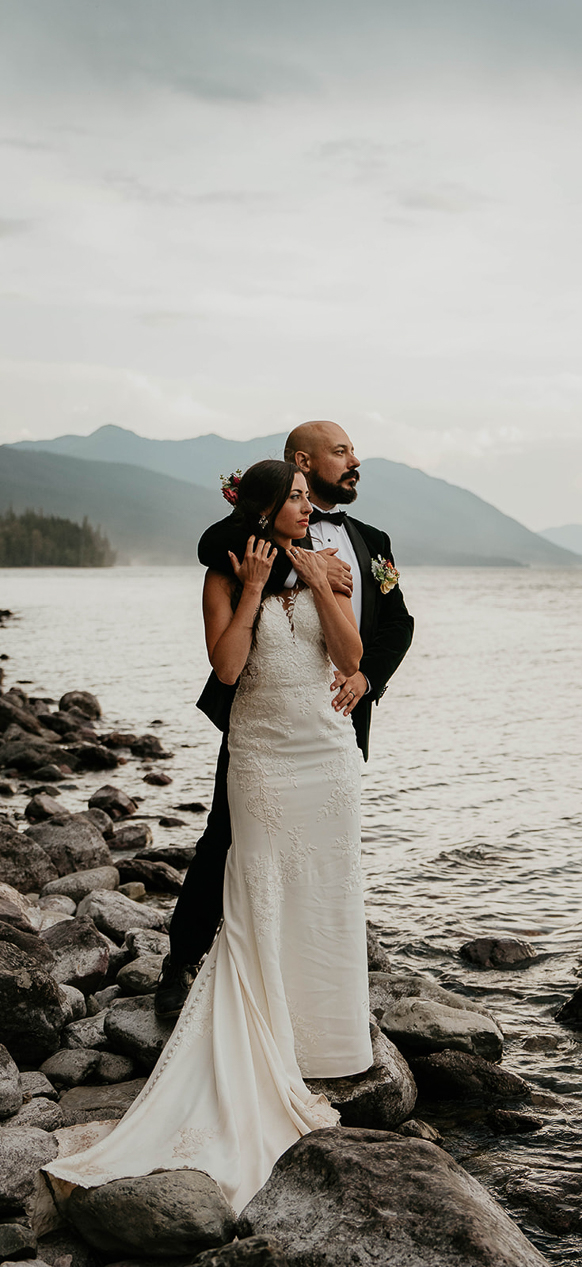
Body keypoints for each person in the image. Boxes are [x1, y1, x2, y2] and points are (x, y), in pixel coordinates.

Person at [42, 459, 379, 1216]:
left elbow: (353, 659)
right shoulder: (223, 579)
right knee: (256, 888)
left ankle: (322, 1044)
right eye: (293, 498)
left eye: (306, 496)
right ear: (261, 509)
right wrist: (258, 587)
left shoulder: (328, 564)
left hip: (325, 755)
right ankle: (258, 1047)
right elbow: (226, 667)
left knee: (326, 890)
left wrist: (321, 582)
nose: (307, 507)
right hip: (260, 754)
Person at [156, 420, 413, 1016]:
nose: (355, 461)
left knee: (321, 851)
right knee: (225, 838)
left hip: (331, 718)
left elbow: (397, 622)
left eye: (353, 450)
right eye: (341, 451)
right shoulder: (241, 533)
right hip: (261, 719)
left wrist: (366, 677)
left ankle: (310, 982)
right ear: (303, 459)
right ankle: (182, 960)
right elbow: (212, 553)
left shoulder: (372, 542)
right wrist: (306, 568)